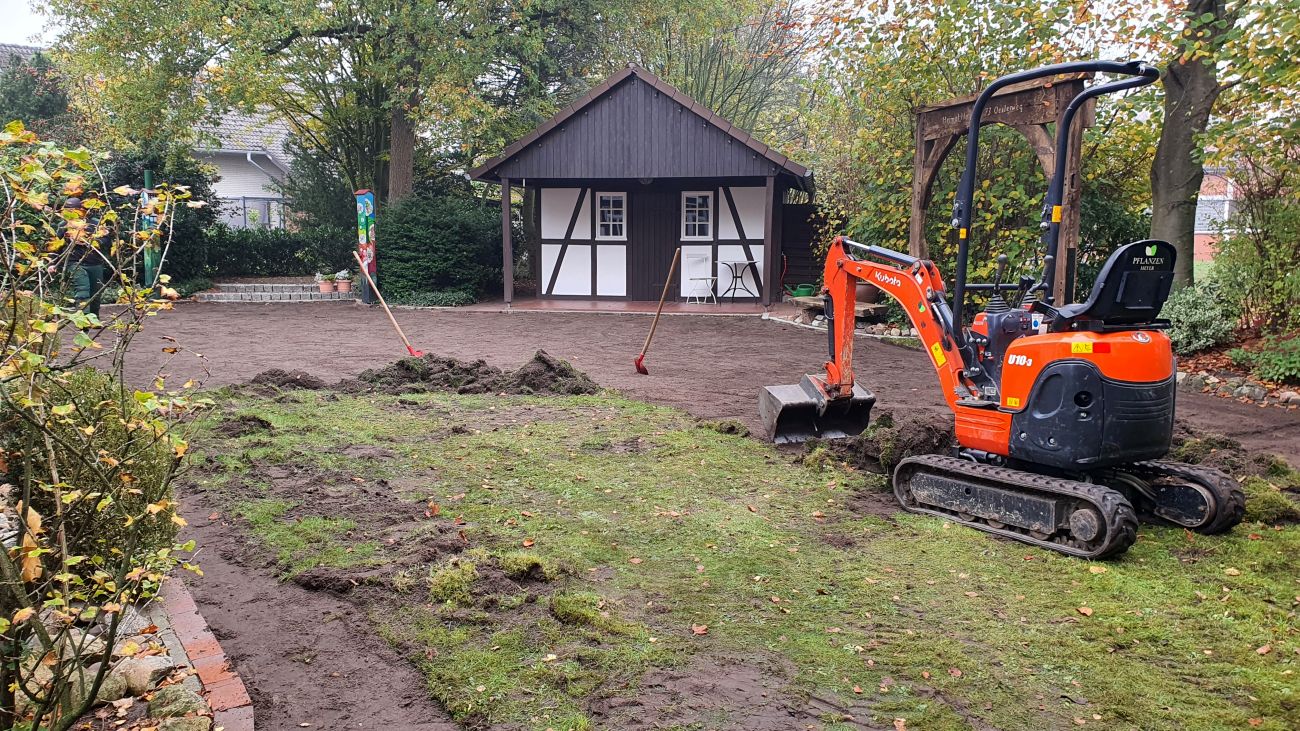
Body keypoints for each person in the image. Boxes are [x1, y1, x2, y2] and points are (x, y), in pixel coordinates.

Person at [60, 196, 107, 317]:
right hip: (74, 262)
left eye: (73, 210)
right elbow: (55, 245)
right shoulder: (63, 225)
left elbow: (106, 240)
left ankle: (94, 318)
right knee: (82, 289)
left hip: (95, 262)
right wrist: (52, 263)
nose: (70, 213)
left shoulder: (95, 223)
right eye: (67, 210)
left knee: (96, 293)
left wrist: (90, 242)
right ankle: (83, 318)